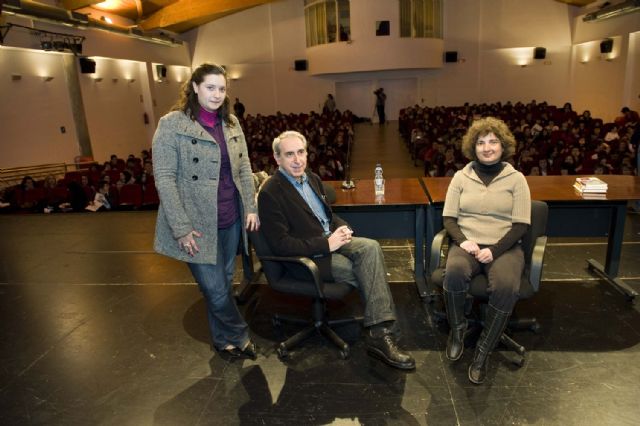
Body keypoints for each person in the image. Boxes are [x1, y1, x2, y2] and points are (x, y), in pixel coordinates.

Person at [258, 130, 415, 370]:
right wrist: (326, 244)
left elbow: (327, 217)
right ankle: (382, 335)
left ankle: (379, 332)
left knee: (371, 247)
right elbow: (281, 244)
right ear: (277, 158)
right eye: (290, 155)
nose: (297, 159)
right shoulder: (271, 192)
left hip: (331, 242)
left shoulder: (310, 178)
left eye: (301, 152)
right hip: (307, 259)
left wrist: (342, 228)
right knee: (366, 271)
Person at [152, 63, 260, 359]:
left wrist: (250, 206)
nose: (216, 94)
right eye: (210, 87)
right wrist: (181, 228)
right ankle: (240, 333)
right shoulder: (172, 124)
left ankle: (222, 339)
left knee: (223, 283)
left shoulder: (232, 123)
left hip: (230, 217)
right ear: (195, 87)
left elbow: (245, 167)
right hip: (196, 223)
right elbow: (164, 177)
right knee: (214, 288)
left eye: (222, 89)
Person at [441, 117, 531, 385]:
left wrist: (493, 249)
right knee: (454, 271)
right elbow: (449, 219)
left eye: (493, 142)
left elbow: (521, 225)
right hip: (468, 243)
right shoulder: (460, 176)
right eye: (481, 142)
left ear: (503, 146)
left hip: (504, 247)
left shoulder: (516, 179)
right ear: (473, 147)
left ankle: (482, 351)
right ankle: (458, 331)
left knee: (506, 285)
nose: (487, 147)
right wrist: (463, 241)